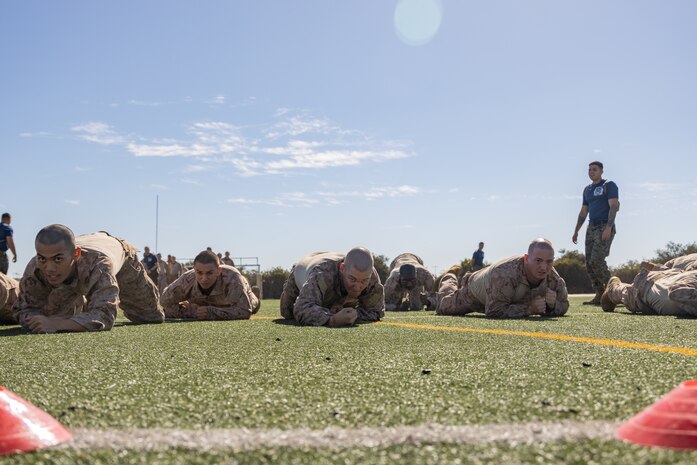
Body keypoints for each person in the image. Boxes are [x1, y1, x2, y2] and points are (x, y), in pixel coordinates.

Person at [14, 225, 164, 333]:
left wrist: (57, 324)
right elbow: (23, 309)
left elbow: (105, 315)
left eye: (57, 259)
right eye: (42, 259)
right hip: (78, 259)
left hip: (119, 255)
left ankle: (90, 302)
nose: (49, 268)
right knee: (51, 315)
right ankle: (86, 304)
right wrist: (37, 319)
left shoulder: (99, 265)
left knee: (151, 316)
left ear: (76, 254)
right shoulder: (35, 267)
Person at [436, 238, 569, 318]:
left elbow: (564, 305)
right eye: (538, 260)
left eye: (549, 262)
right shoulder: (503, 274)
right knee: (443, 307)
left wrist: (552, 306)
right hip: (474, 294)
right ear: (527, 259)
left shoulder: (554, 279)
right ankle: (450, 277)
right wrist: (529, 309)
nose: (544, 267)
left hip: (503, 296)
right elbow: (494, 310)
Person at [279, 248, 385, 326]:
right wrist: (332, 319)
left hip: (334, 285)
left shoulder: (371, 276)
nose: (358, 287)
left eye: (364, 281)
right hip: (303, 270)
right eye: (352, 279)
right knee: (288, 313)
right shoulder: (321, 273)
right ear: (342, 268)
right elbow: (301, 308)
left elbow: (376, 311)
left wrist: (354, 314)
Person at [160, 250, 259, 320]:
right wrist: (193, 312)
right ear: (194, 270)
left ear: (218, 270)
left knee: (252, 304)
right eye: (199, 273)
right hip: (201, 303)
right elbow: (164, 301)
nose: (204, 278)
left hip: (229, 301)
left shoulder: (232, 277)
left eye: (209, 273)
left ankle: (254, 296)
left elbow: (244, 311)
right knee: (168, 311)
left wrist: (212, 312)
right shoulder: (187, 279)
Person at [572, 161, 620, 305]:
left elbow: (613, 206)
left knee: (597, 260)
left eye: (594, 169)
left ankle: (615, 292)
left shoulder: (609, 185)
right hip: (591, 227)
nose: (591, 172)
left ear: (601, 171)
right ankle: (600, 294)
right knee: (589, 264)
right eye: (589, 170)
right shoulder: (587, 189)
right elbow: (583, 212)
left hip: (604, 226)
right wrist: (576, 231)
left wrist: (608, 228)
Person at [601, 265, 697, 317]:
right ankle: (612, 290)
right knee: (630, 294)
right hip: (649, 286)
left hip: (670, 278)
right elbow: (677, 293)